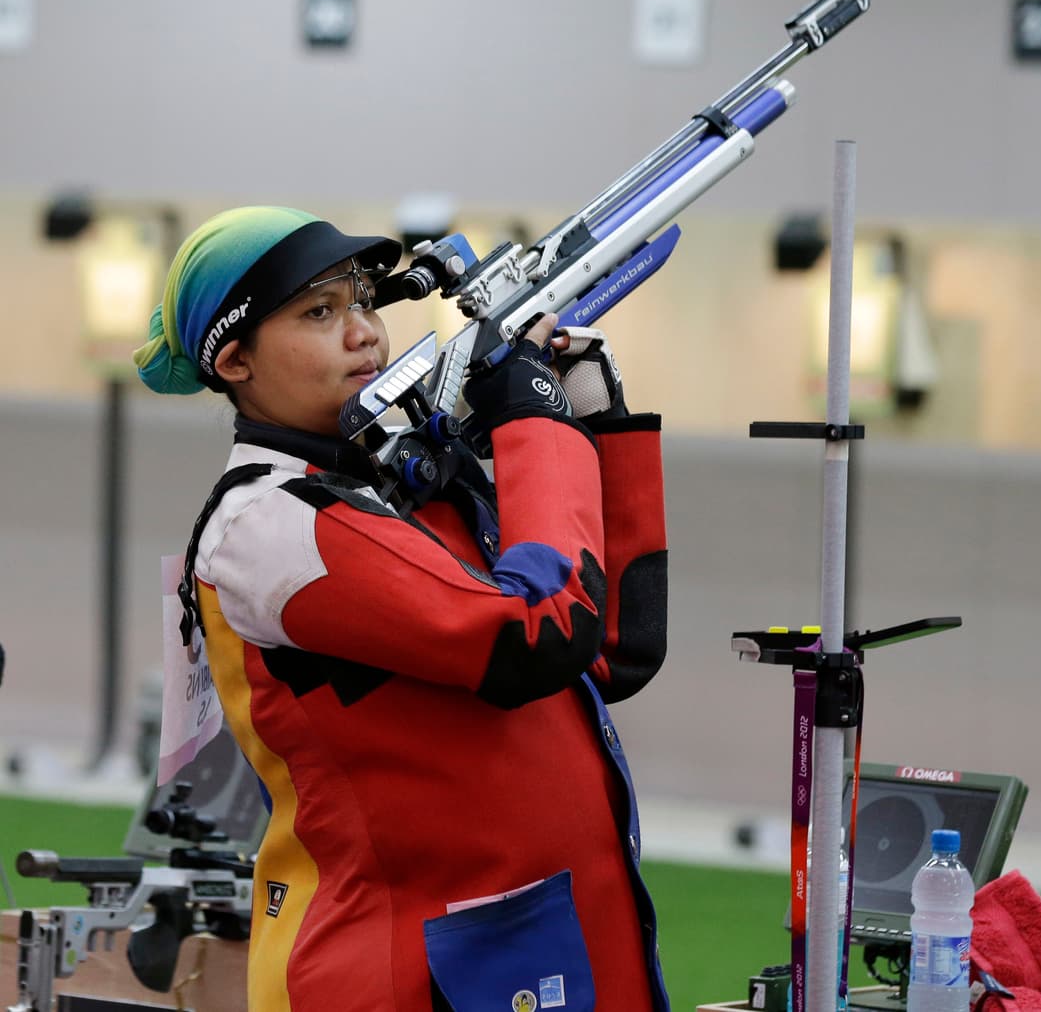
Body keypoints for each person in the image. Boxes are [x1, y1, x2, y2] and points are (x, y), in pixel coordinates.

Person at [133, 205, 670, 1011]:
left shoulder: (392, 480)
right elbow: (541, 634)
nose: (364, 333)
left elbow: (612, 646)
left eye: (363, 301)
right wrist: (533, 422)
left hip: (523, 950)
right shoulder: (268, 522)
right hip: (414, 972)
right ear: (235, 360)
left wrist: (593, 417)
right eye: (320, 313)